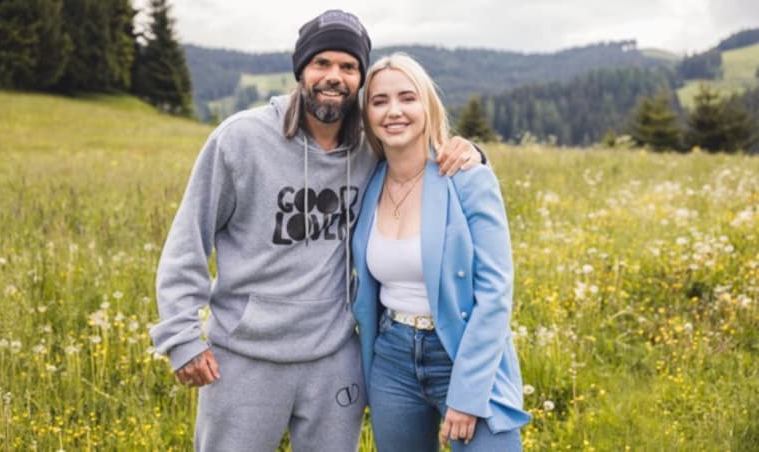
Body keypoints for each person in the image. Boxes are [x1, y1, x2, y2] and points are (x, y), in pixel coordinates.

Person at [149, 10, 483, 451]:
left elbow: (424, 157)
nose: (334, 76)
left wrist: (472, 152)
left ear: (360, 79)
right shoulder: (240, 140)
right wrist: (181, 337)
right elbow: (187, 241)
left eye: (348, 67)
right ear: (301, 70)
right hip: (245, 358)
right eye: (321, 63)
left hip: (333, 359)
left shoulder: (371, 146)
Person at [351, 53, 531, 452]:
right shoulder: (367, 181)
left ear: (428, 106)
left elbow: (496, 293)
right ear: (367, 115)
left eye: (407, 98)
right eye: (379, 101)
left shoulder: (467, 178)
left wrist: (467, 394)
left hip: (462, 353)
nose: (393, 111)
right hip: (392, 359)